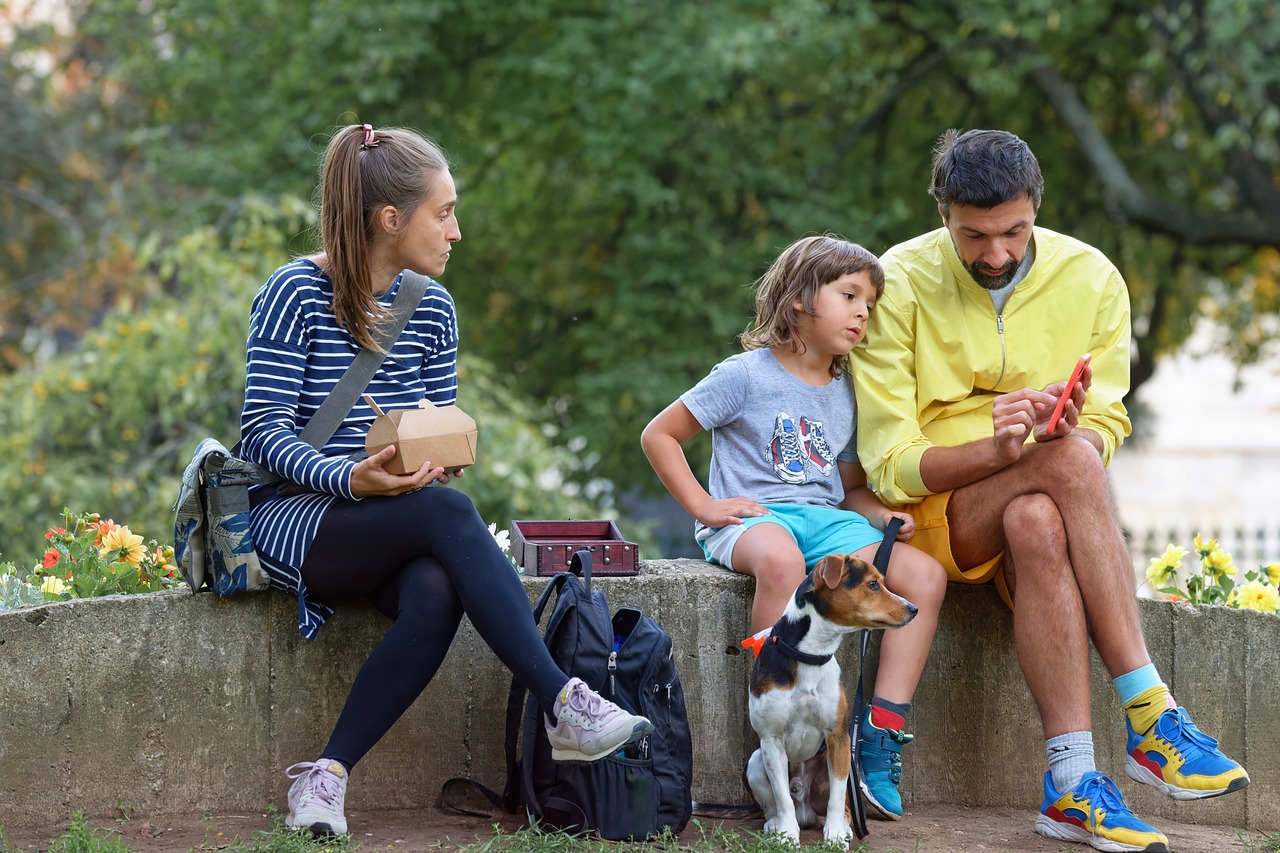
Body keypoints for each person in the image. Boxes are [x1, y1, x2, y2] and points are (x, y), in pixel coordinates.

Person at [239, 123, 653, 836]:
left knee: (435, 590)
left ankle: (325, 778)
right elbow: (262, 433)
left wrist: (434, 457)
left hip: (393, 512)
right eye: (445, 212)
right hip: (295, 513)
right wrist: (349, 477)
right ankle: (563, 701)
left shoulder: (432, 308)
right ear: (390, 220)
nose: (457, 231)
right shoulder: (294, 291)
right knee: (450, 515)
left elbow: (435, 419)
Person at [851, 128, 1249, 852]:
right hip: (933, 519)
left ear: (1037, 206)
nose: (996, 253)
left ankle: (1070, 784)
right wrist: (999, 449)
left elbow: (1108, 420)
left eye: (1013, 231)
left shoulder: (1092, 277)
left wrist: (1074, 430)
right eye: (973, 235)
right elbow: (889, 464)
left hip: (1036, 508)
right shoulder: (897, 280)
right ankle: (1152, 714)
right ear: (942, 214)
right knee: (1062, 467)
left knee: (1043, 505)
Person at [641, 234, 947, 821]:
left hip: (827, 521)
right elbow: (659, 435)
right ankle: (777, 739)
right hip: (755, 519)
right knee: (782, 563)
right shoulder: (744, 375)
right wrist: (705, 506)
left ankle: (878, 734)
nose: (863, 312)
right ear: (800, 299)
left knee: (924, 576)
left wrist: (881, 519)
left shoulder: (849, 390)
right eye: (850, 294)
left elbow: (850, 485)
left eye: (870, 303)